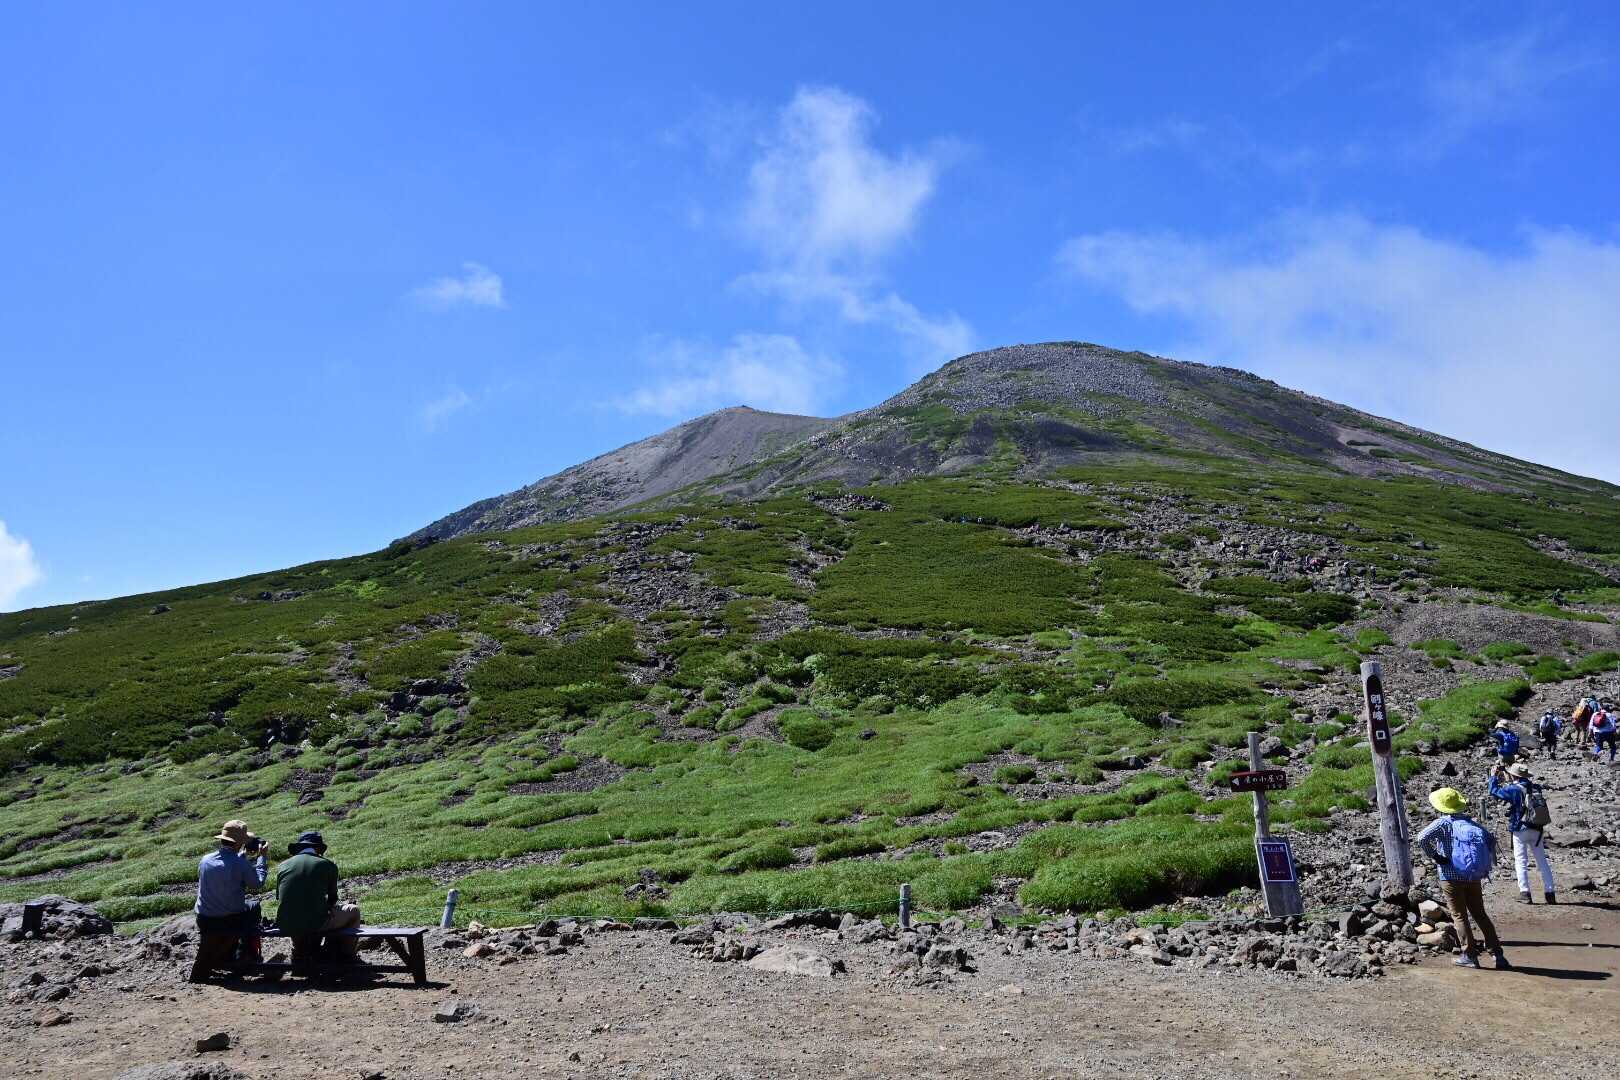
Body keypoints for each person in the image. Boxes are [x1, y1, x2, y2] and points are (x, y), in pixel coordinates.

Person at [1415, 787, 1511, 970]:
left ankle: (1469, 955)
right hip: (1472, 875)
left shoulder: (1443, 823)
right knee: (1480, 914)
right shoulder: (1470, 822)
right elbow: (1490, 840)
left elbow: (1421, 838)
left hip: (1450, 876)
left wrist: (1435, 856)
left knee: (1459, 916)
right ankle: (1498, 955)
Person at [190, 819, 270, 982]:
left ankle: (231, 952)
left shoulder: (205, 859)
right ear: (239, 843)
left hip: (204, 918)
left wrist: (242, 856)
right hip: (229, 920)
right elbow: (257, 884)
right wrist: (262, 858)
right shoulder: (240, 863)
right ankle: (245, 953)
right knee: (254, 906)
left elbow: (225, 867)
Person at [274, 830, 362, 967]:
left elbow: (280, 898)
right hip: (315, 923)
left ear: (299, 848)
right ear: (318, 849)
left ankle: (300, 952)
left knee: (299, 915)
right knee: (353, 911)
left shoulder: (283, 865)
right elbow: (332, 898)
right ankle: (346, 955)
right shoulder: (328, 865)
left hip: (285, 923)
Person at [1488, 762, 1556, 904]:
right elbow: (1520, 787)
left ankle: (1525, 893)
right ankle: (1550, 893)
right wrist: (1509, 775)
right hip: (1537, 827)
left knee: (1521, 860)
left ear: (1514, 775)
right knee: (1542, 861)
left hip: (1520, 828)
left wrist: (1493, 776)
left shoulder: (1513, 789)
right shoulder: (1535, 787)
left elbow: (1494, 791)